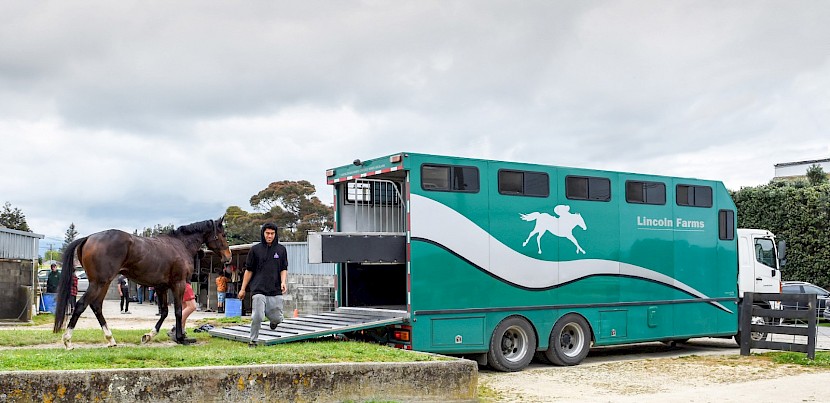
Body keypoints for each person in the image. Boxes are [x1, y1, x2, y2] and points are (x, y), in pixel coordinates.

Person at [238, 223, 288, 347]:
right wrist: (243, 289)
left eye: (272, 233)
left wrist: (283, 282)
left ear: (275, 234)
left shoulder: (281, 250)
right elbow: (249, 270)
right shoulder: (255, 250)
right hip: (258, 289)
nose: (269, 236)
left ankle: (273, 321)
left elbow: (283, 268)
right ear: (263, 234)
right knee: (258, 316)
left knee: (278, 318)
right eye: (267, 233)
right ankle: (253, 341)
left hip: (275, 289)